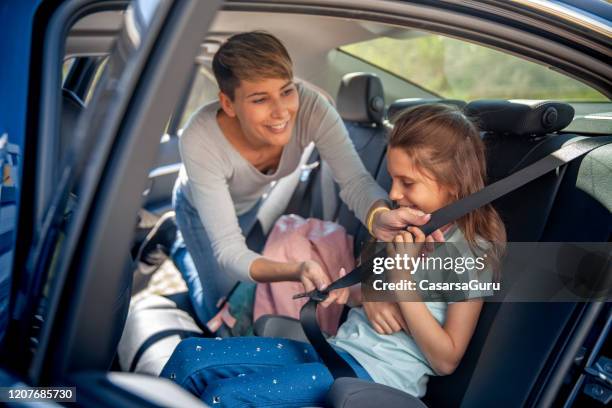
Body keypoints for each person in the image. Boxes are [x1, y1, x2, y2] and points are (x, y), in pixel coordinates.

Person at [160, 104, 507, 406]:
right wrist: (354, 293)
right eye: (393, 179)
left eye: (408, 182)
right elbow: (370, 295)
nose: (394, 193)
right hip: (336, 349)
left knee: (226, 397)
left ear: (452, 181)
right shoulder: (403, 228)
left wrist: (400, 281)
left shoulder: (470, 250)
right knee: (190, 357)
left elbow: (447, 359)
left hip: (373, 376)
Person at [172, 31, 440, 326]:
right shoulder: (200, 138)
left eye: (287, 91)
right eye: (260, 99)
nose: (281, 112)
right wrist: (296, 268)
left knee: (239, 289)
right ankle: (178, 248)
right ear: (228, 103)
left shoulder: (312, 108)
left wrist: (378, 217)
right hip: (196, 211)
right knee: (218, 308)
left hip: (249, 202)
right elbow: (229, 250)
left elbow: (354, 181)